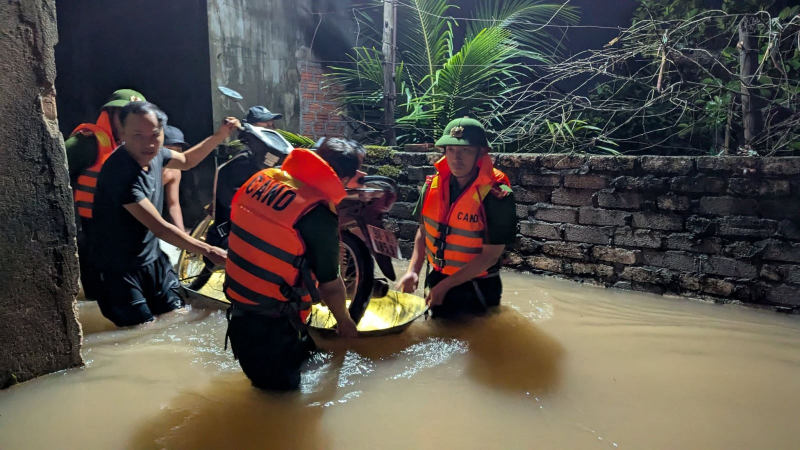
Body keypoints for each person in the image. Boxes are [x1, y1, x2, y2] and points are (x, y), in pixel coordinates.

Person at [224, 138, 363, 391]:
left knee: (305, 361)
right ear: (342, 180)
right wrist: (344, 320)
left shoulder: (263, 178)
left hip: (240, 315)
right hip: (274, 330)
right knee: (280, 408)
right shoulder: (316, 214)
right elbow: (330, 285)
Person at [91, 101, 236, 327]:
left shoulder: (157, 153)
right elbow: (159, 227)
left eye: (155, 134)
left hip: (152, 259)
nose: (148, 143)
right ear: (122, 133)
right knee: (140, 331)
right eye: (138, 135)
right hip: (118, 269)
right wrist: (208, 250)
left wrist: (220, 135)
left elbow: (187, 161)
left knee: (177, 315)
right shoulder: (120, 174)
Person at [395, 117, 517, 319]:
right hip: (436, 278)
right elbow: (424, 231)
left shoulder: (497, 196)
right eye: (450, 150)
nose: (456, 158)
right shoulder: (432, 185)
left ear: (480, 153)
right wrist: (413, 270)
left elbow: (491, 255)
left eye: (465, 150)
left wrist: (445, 287)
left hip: (476, 287)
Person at [66, 89, 145, 299]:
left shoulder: (133, 148)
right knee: (102, 297)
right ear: (110, 115)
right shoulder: (86, 143)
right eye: (126, 117)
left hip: (123, 233)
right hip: (94, 234)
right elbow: (51, 173)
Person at [162, 125, 189, 231]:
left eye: (177, 150)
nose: (172, 155)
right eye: (168, 150)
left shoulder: (175, 170)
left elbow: (173, 205)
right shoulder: (144, 167)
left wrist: (182, 234)